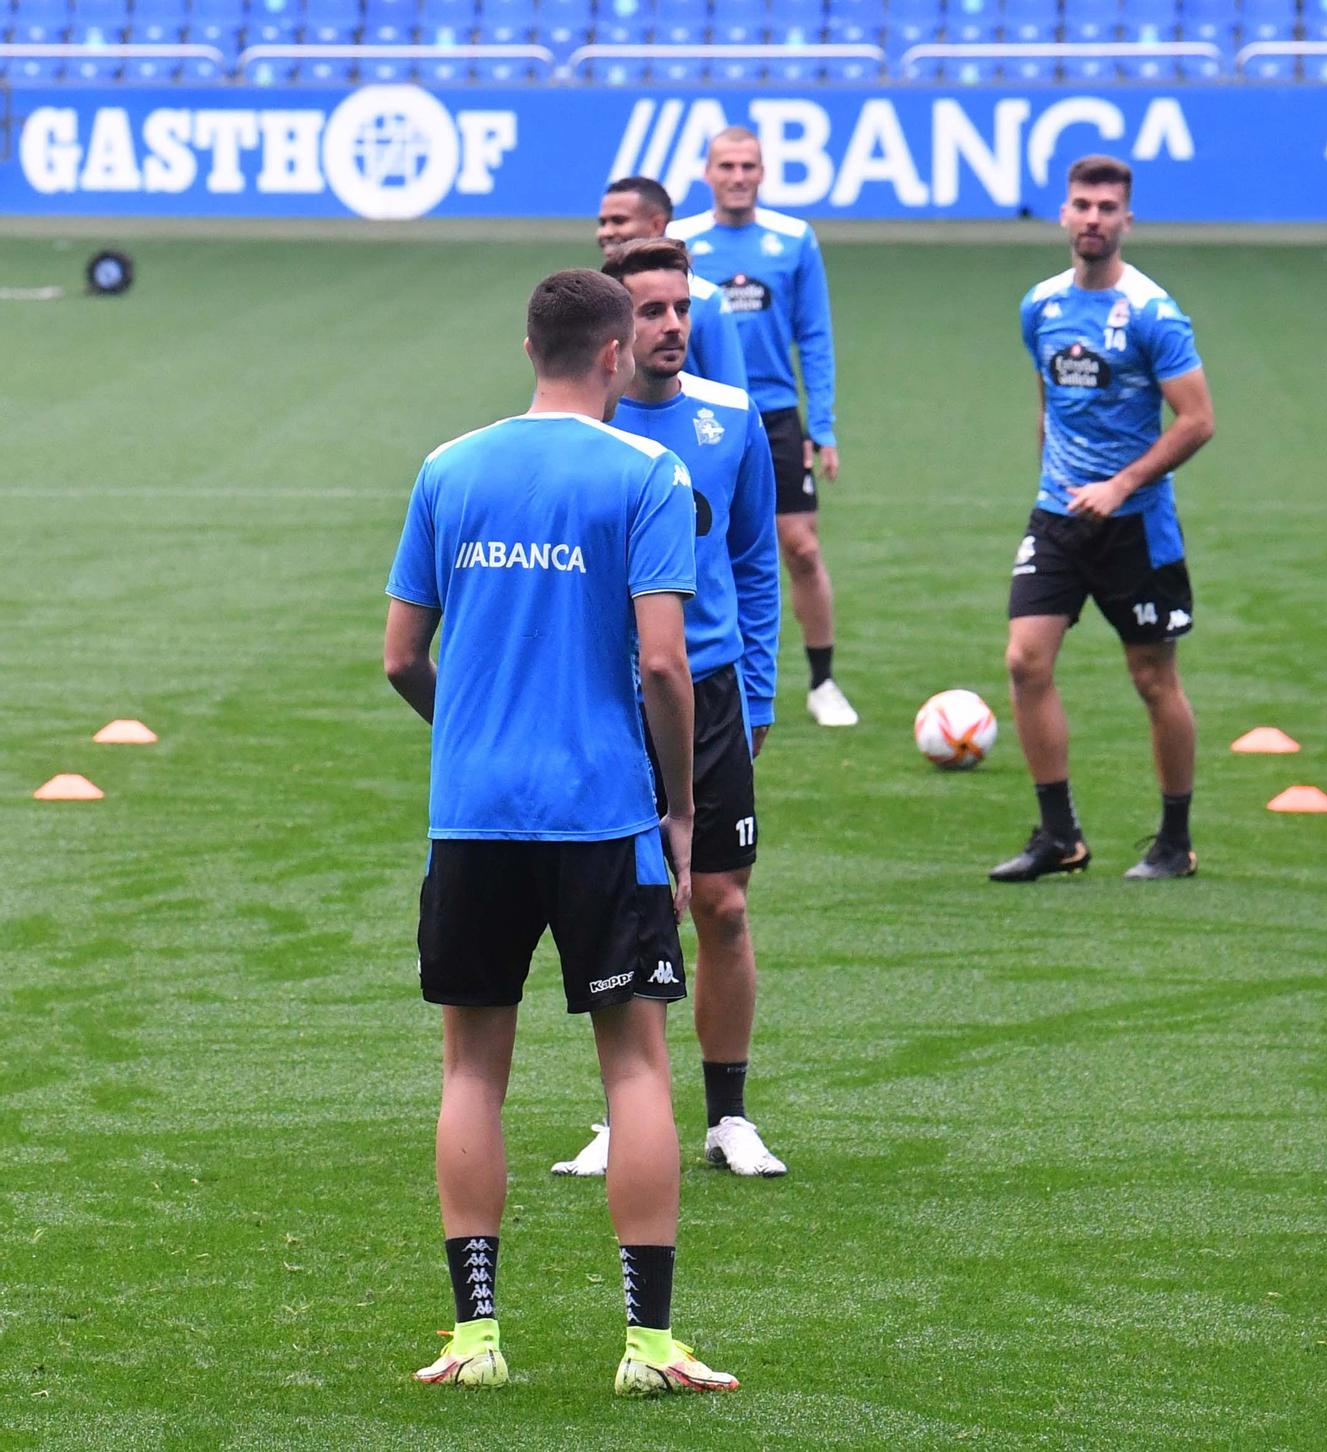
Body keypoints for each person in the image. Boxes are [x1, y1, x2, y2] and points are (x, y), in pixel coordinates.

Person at [383, 267, 738, 1394]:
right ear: (612, 354)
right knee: (632, 1066)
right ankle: (646, 1346)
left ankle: (475, 1339)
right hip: (601, 813)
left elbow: (399, 656)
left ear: (529, 345)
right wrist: (678, 809)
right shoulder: (644, 470)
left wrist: (472, 736)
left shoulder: (449, 466)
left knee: (472, 1073)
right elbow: (667, 664)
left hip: (473, 812)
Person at [553, 237, 788, 1180]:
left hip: (713, 693)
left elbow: (756, 565)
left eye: (682, 307)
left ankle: (728, 1116)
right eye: (651, 311)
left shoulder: (734, 422)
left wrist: (761, 691)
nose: (673, 325)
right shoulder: (586, 436)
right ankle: (625, 1112)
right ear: (615, 329)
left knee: (722, 906)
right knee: (625, 907)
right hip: (610, 695)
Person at [991, 154, 1216, 883]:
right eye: (1081, 205)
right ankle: (1060, 835)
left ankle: (1175, 841)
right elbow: (1047, 403)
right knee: (1026, 661)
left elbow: (1197, 420)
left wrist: (1120, 486)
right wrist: (1050, 485)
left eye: (1106, 208)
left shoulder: (1153, 313)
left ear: (1126, 219)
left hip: (1136, 525)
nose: (1092, 218)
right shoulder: (1041, 306)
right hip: (1059, 516)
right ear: (1063, 213)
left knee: (1153, 680)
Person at [668, 129, 856, 727]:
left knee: (799, 547)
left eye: (748, 165)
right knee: (709, 547)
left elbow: (816, 334)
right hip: (700, 413)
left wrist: (820, 425)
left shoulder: (794, 239)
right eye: (727, 165)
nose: (738, 175)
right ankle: (711, 673)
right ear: (708, 172)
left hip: (773, 414)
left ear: (763, 171)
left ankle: (822, 680)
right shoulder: (682, 241)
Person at [594, 175, 749, 394]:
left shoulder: (706, 300)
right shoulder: (593, 299)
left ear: (657, 224)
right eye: (603, 222)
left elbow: (731, 394)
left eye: (619, 221)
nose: (606, 232)